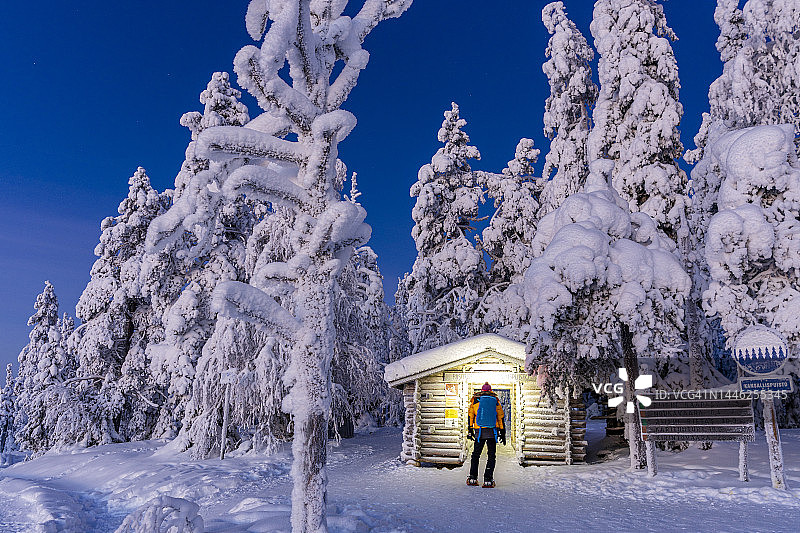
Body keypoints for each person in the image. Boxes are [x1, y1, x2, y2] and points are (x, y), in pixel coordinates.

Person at [466, 382, 505, 488]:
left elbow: (471, 415)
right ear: (490, 391)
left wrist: (470, 429)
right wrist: (502, 431)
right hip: (492, 431)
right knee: (491, 455)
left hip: (479, 431)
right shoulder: (495, 400)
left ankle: (473, 478)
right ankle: (488, 479)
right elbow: (500, 416)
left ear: (482, 391)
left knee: (476, 454)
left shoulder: (475, 400)